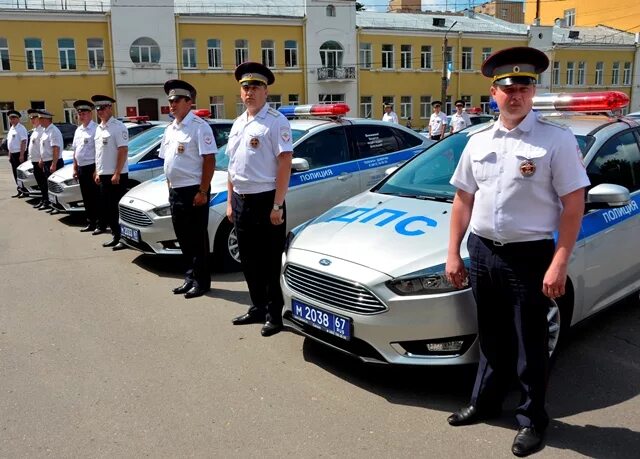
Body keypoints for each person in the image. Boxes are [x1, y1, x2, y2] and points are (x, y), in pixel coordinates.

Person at [445, 47, 590, 457]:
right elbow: (462, 200)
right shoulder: (477, 141)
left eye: (524, 87)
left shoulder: (555, 141)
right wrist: (453, 253)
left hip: (530, 257)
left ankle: (532, 419)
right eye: (508, 88)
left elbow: (574, 205)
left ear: (532, 91)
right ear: (494, 93)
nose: (516, 95)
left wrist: (559, 261)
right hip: (483, 251)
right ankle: (486, 401)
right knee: (491, 336)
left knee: (531, 343)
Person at [227, 61, 293, 337]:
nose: (249, 92)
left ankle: (274, 314)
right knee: (249, 260)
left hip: (267, 201)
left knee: (268, 261)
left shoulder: (276, 122)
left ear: (266, 91)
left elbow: (285, 162)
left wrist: (277, 204)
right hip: (242, 201)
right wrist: (231, 201)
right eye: (245, 87)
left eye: (255, 87)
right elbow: (232, 165)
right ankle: (257, 307)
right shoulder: (238, 123)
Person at [159, 79, 217, 299]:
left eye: (176, 101)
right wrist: (169, 185)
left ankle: (202, 282)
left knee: (197, 238)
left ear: (188, 102)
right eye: (170, 101)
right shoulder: (170, 129)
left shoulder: (199, 127)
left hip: (194, 190)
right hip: (176, 190)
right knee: (183, 238)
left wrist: (202, 191)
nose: (172, 105)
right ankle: (190, 277)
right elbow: (167, 161)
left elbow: (209, 160)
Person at [91, 94, 129, 250]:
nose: (100, 111)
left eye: (102, 108)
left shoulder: (118, 127)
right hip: (104, 174)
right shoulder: (99, 128)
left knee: (116, 208)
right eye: (97, 109)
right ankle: (115, 235)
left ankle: (123, 238)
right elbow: (99, 152)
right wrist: (97, 171)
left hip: (116, 175)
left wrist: (117, 173)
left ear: (110, 108)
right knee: (107, 207)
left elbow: (123, 150)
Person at [71, 100, 100, 232]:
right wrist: (75, 168)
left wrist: (96, 170)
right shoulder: (78, 130)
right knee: (86, 197)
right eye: (79, 114)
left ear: (90, 113)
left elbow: (99, 152)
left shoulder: (96, 129)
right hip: (82, 167)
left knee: (96, 197)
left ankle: (100, 223)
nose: (81, 116)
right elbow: (75, 151)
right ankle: (91, 222)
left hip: (92, 167)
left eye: (84, 113)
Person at [37, 110, 64, 212]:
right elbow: (44, 148)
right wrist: (42, 159)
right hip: (47, 162)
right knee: (49, 186)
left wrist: (54, 163)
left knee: (54, 186)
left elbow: (55, 148)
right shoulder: (45, 131)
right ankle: (52, 205)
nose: (39, 121)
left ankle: (57, 206)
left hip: (54, 162)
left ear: (46, 119)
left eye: (40, 119)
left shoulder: (53, 131)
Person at [26, 109, 47, 208]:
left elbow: (44, 147)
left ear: (39, 118)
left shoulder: (42, 130)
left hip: (40, 162)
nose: (32, 120)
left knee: (43, 183)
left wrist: (42, 159)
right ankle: (43, 200)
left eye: (34, 118)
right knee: (40, 183)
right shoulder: (35, 131)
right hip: (34, 161)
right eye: (31, 118)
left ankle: (46, 201)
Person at [6, 110, 28, 198]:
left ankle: (25, 191)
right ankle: (19, 189)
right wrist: (9, 154)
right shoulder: (11, 128)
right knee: (15, 173)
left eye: (14, 118)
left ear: (18, 119)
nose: (12, 120)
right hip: (13, 154)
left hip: (20, 153)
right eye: (11, 118)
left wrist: (22, 155)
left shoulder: (21, 128)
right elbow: (10, 143)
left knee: (21, 174)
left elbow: (23, 142)